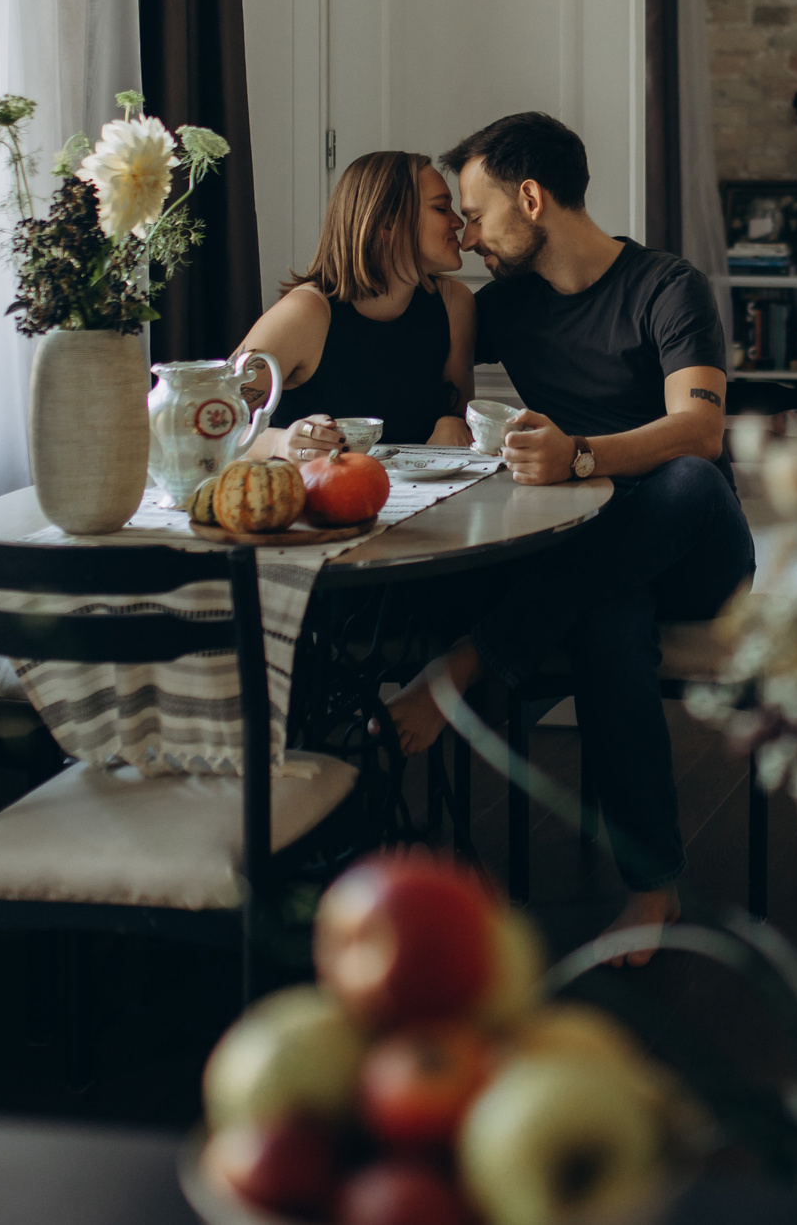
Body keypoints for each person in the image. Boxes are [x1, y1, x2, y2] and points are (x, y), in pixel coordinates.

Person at [383, 112, 754, 963]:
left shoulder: (668, 285)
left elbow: (699, 431)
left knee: (686, 482)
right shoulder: (501, 308)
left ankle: (469, 664)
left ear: (532, 197)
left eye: (474, 214)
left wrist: (581, 454)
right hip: (599, 559)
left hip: (696, 544)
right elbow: (420, 356)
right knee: (609, 614)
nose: (469, 235)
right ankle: (652, 885)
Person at [236, 150, 477, 460]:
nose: (458, 222)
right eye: (441, 208)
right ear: (387, 224)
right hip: (314, 500)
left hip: (423, 502)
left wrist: (452, 422)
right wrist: (279, 443)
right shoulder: (305, 314)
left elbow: (458, 410)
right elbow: (201, 424)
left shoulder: (454, 303)